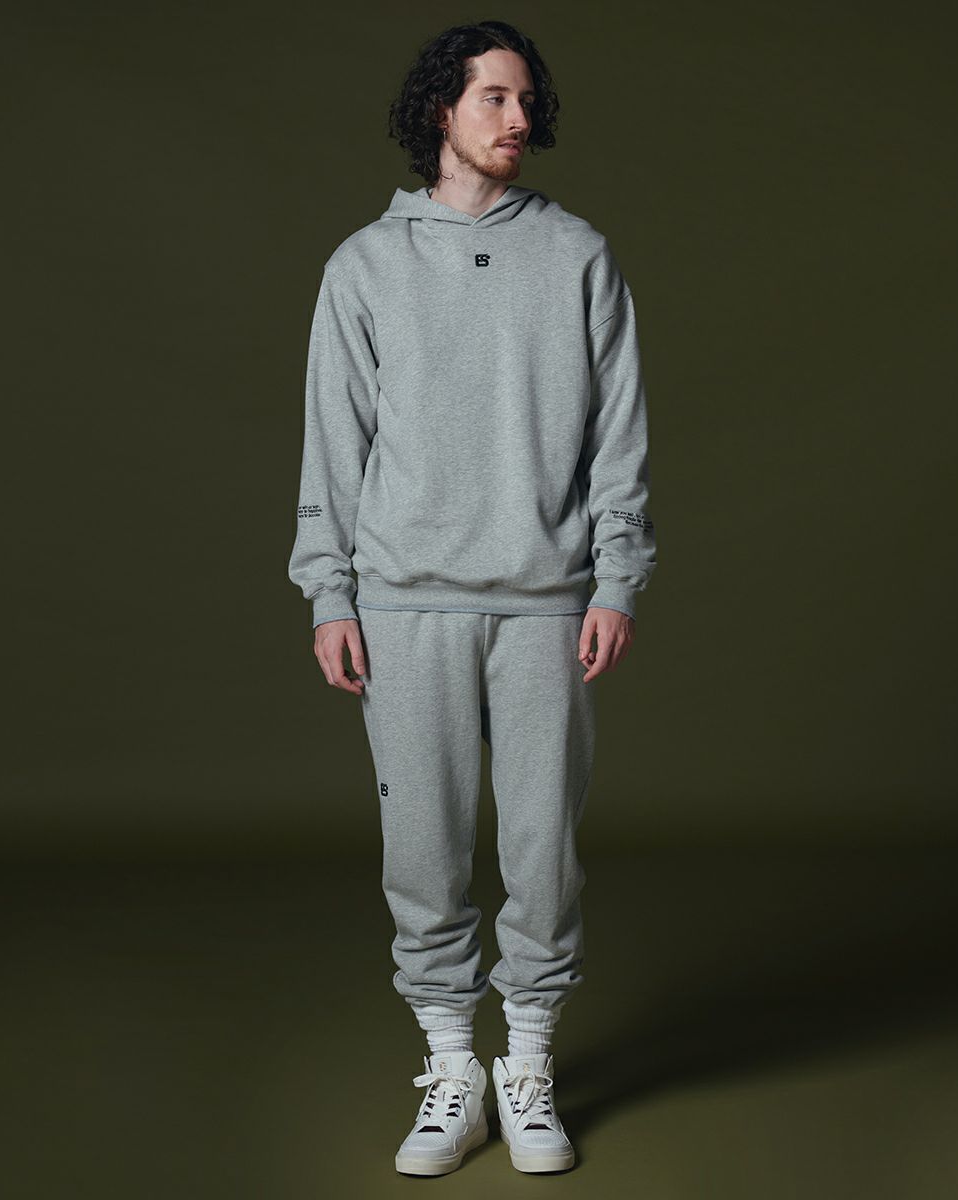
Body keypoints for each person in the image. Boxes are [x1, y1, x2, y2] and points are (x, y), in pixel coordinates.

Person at [287, 19, 657, 1177]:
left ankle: (526, 1066)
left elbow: (619, 438)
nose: (517, 118)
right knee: (424, 851)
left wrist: (616, 575)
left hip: (547, 601)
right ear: (438, 110)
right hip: (403, 603)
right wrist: (329, 591)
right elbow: (333, 443)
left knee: (543, 853)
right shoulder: (364, 267)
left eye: (526, 99)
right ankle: (453, 1068)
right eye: (493, 96)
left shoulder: (578, 256)